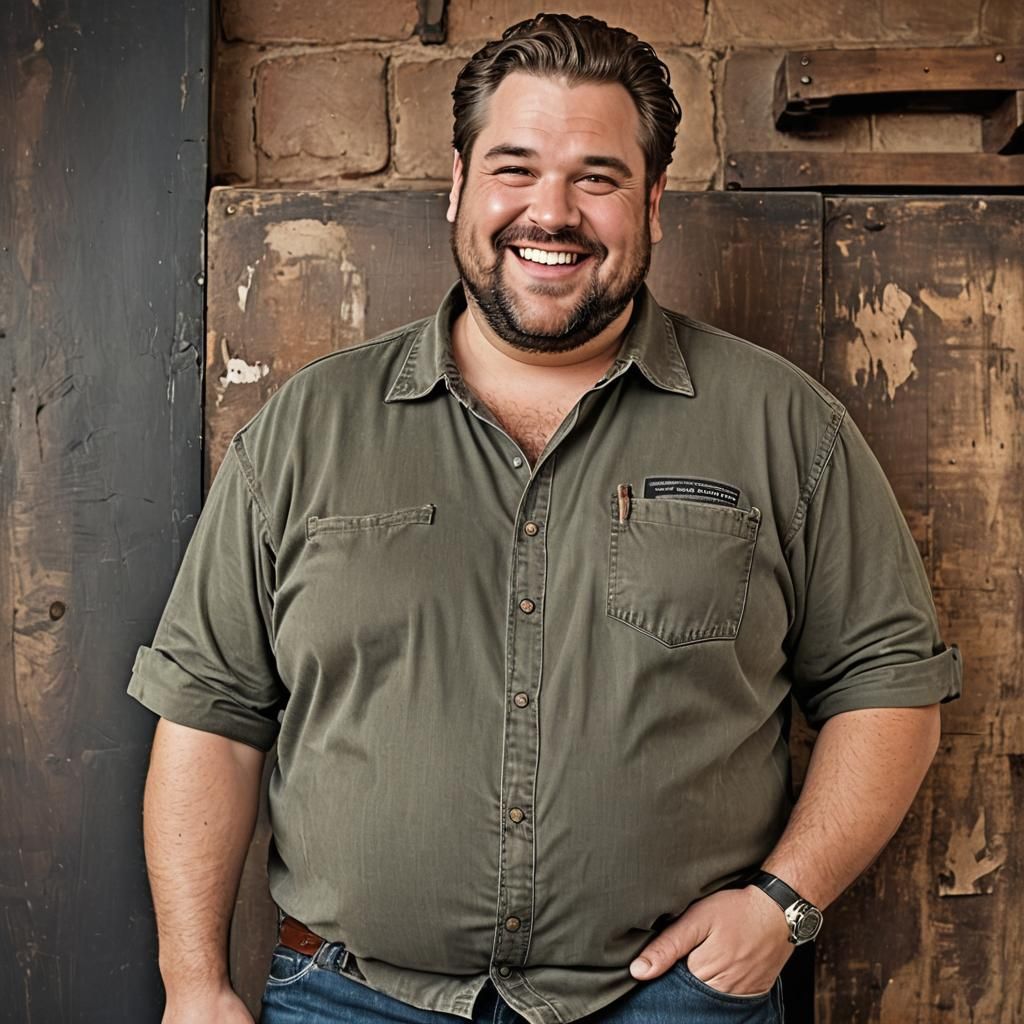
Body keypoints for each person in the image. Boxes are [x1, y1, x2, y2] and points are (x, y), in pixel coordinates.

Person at [128, 13, 962, 1024]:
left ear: (652, 203)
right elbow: (209, 717)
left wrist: (782, 905)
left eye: (597, 178)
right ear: (460, 186)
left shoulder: (783, 426)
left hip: (671, 1006)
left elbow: (890, 688)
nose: (551, 213)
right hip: (351, 999)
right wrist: (192, 983)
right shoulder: (307, 428)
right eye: (514, 169)